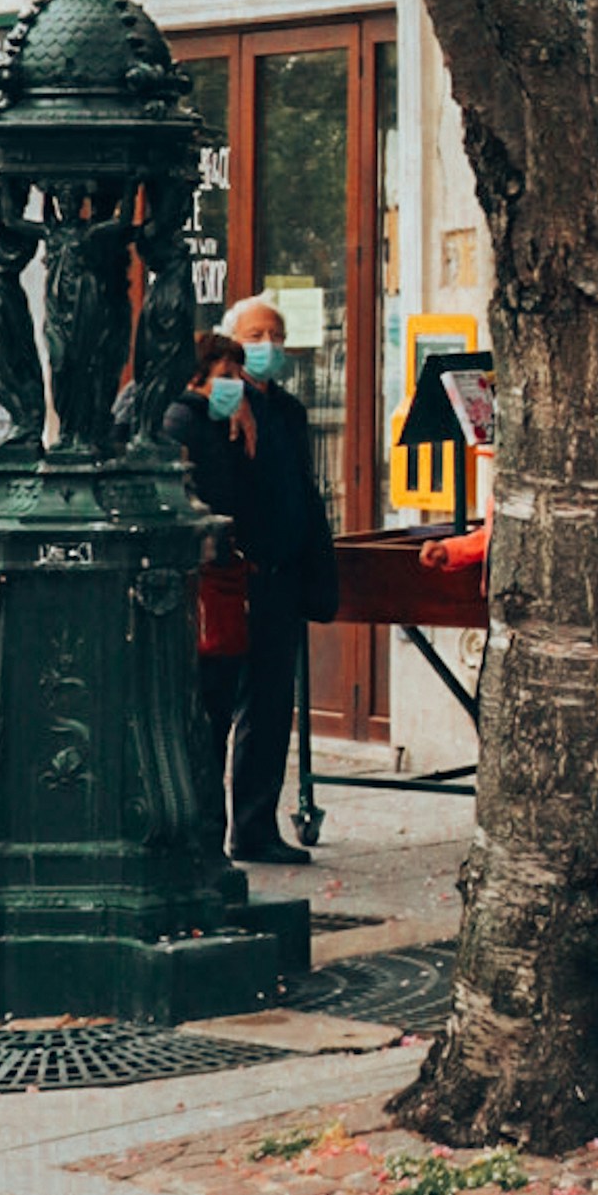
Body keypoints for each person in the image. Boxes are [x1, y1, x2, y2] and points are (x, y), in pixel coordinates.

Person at [173, 292, 338, 864]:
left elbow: (302, 489)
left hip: (281, 575)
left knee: (270, 711)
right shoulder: (209, 410)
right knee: (216, 710)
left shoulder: (287, 410)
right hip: (231, 582)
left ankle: (255, 827)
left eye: (277, 335)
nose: (268, 347)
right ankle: (203, 833)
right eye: (255, 337)